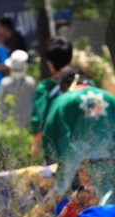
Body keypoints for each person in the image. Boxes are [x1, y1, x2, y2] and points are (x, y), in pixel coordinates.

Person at [41, 66, 115, 198]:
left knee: (77, 208)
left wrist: (66, 158)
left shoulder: (63, 101)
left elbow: (51, 135)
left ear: (65, 83)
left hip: (77, 168)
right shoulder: (110, 98)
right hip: (109, 164)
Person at [31, 37, 74, 157]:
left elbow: (38, 115)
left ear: (49, 62)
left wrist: (36, 141)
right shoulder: (82, 83)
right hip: (83, 139)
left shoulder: (46, 86)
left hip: (55, 141)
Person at [0, 50, 35, 127]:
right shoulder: (31, 82)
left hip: (10, 123)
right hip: (27, 122)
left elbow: (1, 105)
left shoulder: (5, 83)